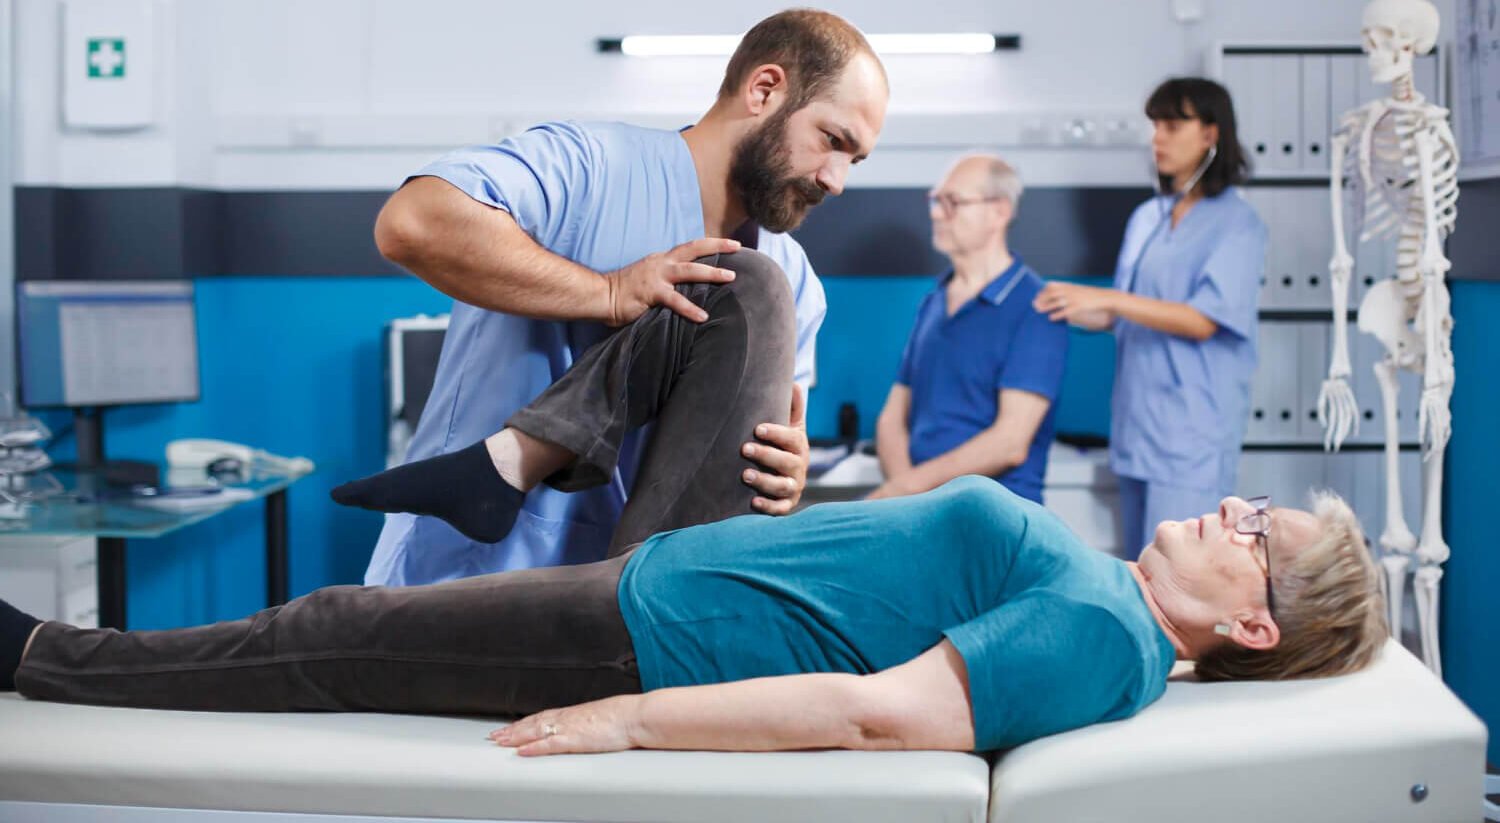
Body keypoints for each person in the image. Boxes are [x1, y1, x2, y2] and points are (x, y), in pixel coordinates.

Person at [1, 252, 1386, 758]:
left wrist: (633, 716)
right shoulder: (1114, 600)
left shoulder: (1108, 638)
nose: (1230, 512)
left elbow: (878, 710)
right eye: (1252, 505)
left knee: (341, 619)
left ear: (1254, 626)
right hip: (703, 558)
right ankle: (507, 467)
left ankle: (44, 658)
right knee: (749, 287)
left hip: (653, 625)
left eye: (1258, 535)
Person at [364, 9, 889, 585]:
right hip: (463, 575)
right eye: (832, 141)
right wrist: (607, 292)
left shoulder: (794, 284)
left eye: (854, 161)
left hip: (622, 609)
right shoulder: (588, 167)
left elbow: (777, 437)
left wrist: (784, 473)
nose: (836, 180)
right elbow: (411, 224)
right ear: (764, 89)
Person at [1033, 78, 1267, 559]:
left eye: (1172, 125)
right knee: (1140, 572)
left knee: (1183, 576)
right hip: (1137, 429)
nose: (1157, 138)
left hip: (1191, 437)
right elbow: (1128, 315)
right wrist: (1069, 309)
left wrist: (1111, 301)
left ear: (1210, 134)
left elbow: (1204, 320)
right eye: (1155, 125)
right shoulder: (1149, 217)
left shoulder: (1238, 224)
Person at [871, 155, 1067, 504]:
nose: (936, 213)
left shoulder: (1036, 306)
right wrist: (904, 500)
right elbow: (892, 418)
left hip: (991, 516)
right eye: (936, 200)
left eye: (953, 202)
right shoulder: (934, 301)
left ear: (999, 212)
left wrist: (903, 490)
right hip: (923, 509)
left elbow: (1009, 443)